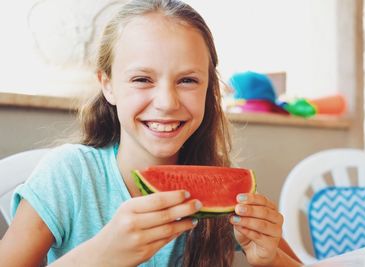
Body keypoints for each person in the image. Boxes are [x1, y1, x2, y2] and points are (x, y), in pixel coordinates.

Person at [0, 0, 302, 266]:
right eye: (142, 79)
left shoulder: (225, 188)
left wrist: (271, 258)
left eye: (187, 80)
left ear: (209, 89)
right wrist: (99, 257)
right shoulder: (67, 176)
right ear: (107, 84)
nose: (167, 103)